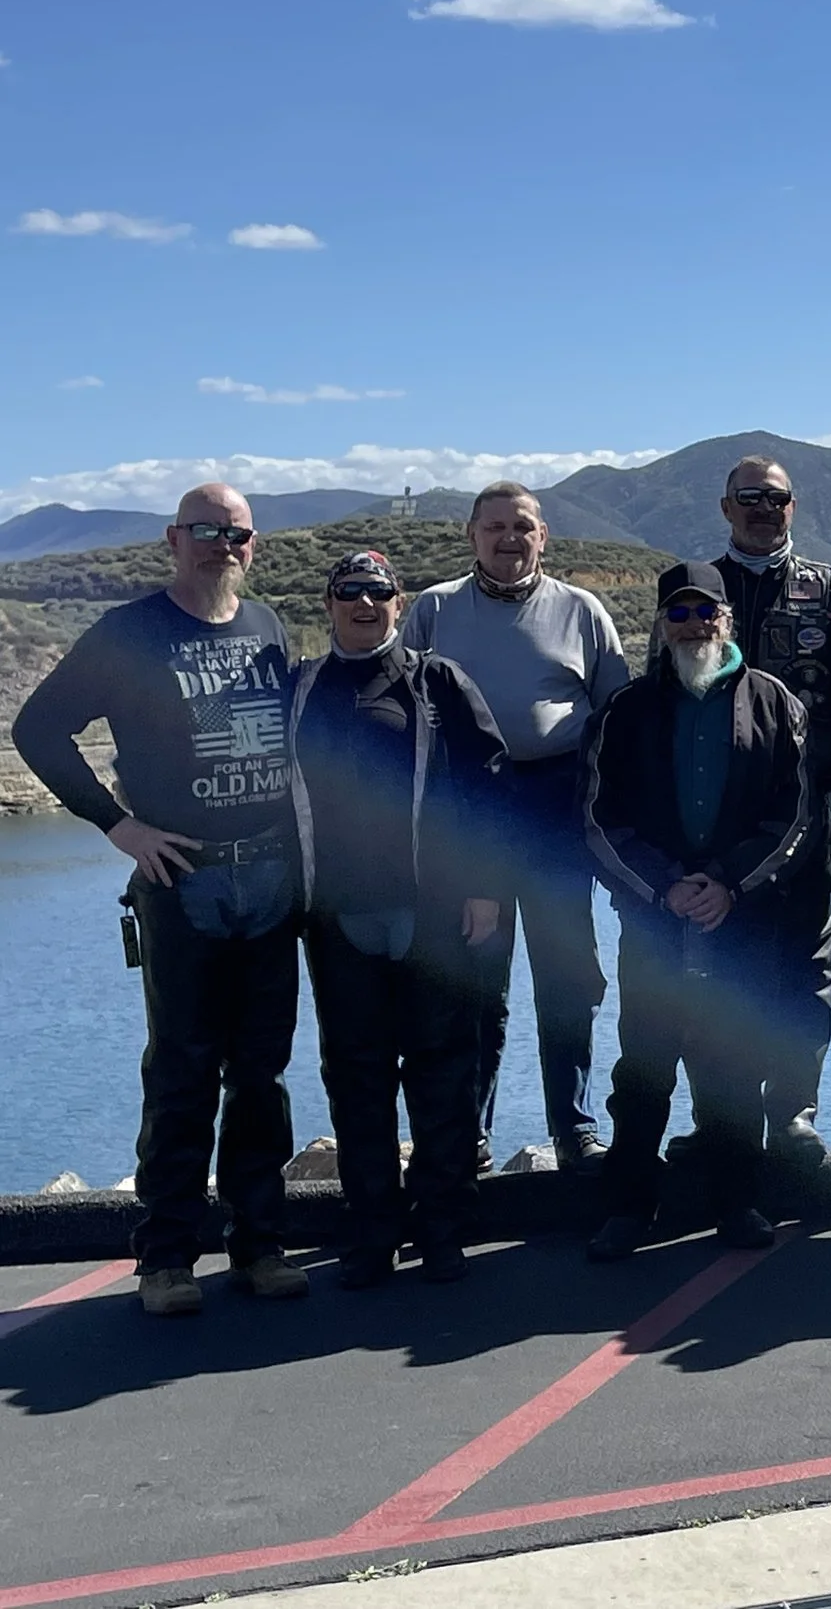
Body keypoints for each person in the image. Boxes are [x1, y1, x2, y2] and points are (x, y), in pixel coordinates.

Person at [11, 484, 308, 1316]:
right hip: (182, 881)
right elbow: (37, 729)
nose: (222, 544)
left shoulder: (268, 626)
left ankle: (260, 1245)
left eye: (236, 533)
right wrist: (118, 825)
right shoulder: (129, 632)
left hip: (271, 878)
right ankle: (167, 1258)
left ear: (253, 545)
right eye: (206, 530)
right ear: (174, 539)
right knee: (181, 1071)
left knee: (262, 1075)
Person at [285, 550, 509, 1286]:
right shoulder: (301, 688)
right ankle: (373, 1231)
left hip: (432, 911)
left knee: (442, 1071)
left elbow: (489, 786)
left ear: (398, 602)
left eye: (377, 592)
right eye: (349, 591)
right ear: (328, 602)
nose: (364, 603)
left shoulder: (437, 682)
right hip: (336, 916)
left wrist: (485, 888)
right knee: (358, 1078)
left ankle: (443, 1227)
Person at [581, 562, 815, 1258]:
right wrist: (665, 887)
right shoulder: (623, 710)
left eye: (704, 612)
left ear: (727, 619)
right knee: (644, 1064)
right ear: (661, 625)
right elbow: (599, 816)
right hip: (655, 917)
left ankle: (736, 1202)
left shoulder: (776, 703)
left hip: (740, 916)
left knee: (733, 1065)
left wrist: (727, 883)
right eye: (678, 614)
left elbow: (797, 812)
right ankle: (629, 1206)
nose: (692, 625)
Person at [403, 482, 630, 1175]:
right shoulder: (433, 609)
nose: (510, 538)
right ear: (471, 534)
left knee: (568, 979)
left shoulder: (582, 611)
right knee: (478, 983)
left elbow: (619, 720)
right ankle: (470, 1132)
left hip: (558, 813)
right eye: (495, 526)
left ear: (543, 536)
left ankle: (575, 1129)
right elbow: (404, 711)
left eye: (523, 526)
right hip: (473, 815)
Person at [701, 455, 831, 1169]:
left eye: (775, 498)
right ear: (726, 507)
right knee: (721, 965)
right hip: (716, 813)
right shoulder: (699, 587)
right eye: (749, 497)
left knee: (802, 963)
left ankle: (795, 1111)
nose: (762, 509)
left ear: (793, 507)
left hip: (809, 809)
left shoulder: (830, 590)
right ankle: (726, 1120)